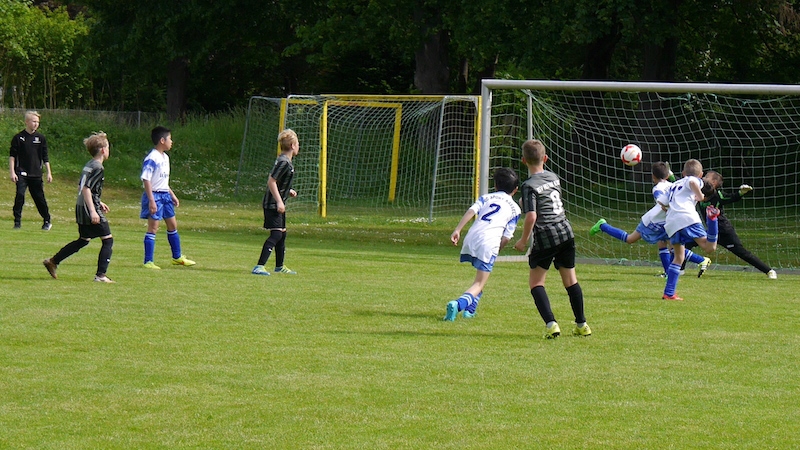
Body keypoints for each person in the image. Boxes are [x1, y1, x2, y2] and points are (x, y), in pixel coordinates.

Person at [512, 139, 591, 339]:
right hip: (565, 231)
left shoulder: (528, 185)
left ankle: (551, 324)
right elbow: (546, 199)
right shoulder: (554, 177)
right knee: (570, 280)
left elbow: (532, 216)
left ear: (524, 160)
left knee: (536, 283)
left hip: (546, 235)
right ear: (545, 158)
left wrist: (523, 240)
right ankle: (582, 324)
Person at [590, 161, 710, 276]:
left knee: (671, 245)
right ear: (667, 176)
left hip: (665, 221)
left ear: (653, 177)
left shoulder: (667, 186)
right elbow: (661, 199)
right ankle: (603, 226)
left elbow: (663, 199)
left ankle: (679, 269)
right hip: (653, 221)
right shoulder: (670, 185)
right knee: (632, 239)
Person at [444, 168, 520, 321]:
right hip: (489, 242)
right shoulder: (515, 209)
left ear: (495, 186)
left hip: (472, 237)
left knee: (480, 279)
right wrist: (498, 249)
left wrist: (458, 230)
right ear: (516, 189)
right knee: (479, 283)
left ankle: (470, 311)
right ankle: (458, 305)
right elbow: (507, 237)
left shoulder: (486, 197)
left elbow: (471, 211)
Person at [42, 132, 114, 283]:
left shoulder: (89, 164)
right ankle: (100, 275)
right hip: (88, 209)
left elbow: (83, 186)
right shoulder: (98, 167)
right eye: (108, 147)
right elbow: (86, 188)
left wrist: (99, 201)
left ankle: (53, 261)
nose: (109, 150)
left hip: (81, 207)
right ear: (103, 150)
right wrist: (93, 210)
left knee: (83, 240)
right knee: (107, 240)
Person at [683, 170, 777, 279]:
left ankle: (769, 271)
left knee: (742, 253)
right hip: (710, 232)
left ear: (713, 182)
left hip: (724, 232)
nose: (703, 178)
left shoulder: (718, 195)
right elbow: (683, 183)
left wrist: (741, 192)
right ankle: (680, 270)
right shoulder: (698, 193)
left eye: (707, 177)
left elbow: (732, 197)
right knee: (686, 243)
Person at [661, 159, 720, 300]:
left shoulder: (674, 185)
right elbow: (693, 182)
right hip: (687, 217)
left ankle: (669, 293)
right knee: (709, 247)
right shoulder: (694, 179)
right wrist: (700, 196)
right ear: (701, 175)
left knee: (678, 257)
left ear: (683, 173)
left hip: (671, 222)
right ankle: (712, 219)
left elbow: (662, 203)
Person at [140, 126, 195, 269]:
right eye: (170, 139)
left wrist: (172, 194)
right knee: (153, 228)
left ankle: (177, 257)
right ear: (162, 140)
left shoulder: (165, 158)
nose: (172, 142)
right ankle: (148, 261)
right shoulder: (152, 158)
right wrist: (151, 200)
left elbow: (162, 180)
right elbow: (146, 179)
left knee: (172, 225)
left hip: (165, 195)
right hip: (155, 195)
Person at [252, 129, 299, 276]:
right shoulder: (284, 162)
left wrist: (288, 191)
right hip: (272, 204)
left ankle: (279, 266)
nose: (299, 146)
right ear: (292, 145)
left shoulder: (285, 161)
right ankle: (259, 266)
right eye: (297, 143)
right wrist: (279, 201)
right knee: (276, 234)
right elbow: (271, 181)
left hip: (278, 203)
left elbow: (279, 182)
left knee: (282, 234)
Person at [9, 110, 52, 230]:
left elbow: (45, 157)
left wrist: (49, 172)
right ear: (27, 122)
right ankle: (17, 222)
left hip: (36, 174)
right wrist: (12, 172)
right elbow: (12, 156)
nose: (36, 124)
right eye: (33, 121)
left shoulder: (41, 138)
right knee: (20, 195)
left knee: (39, 198)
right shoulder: (18, 138)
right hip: (21, 172)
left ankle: (47, 220)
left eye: (37, 122)